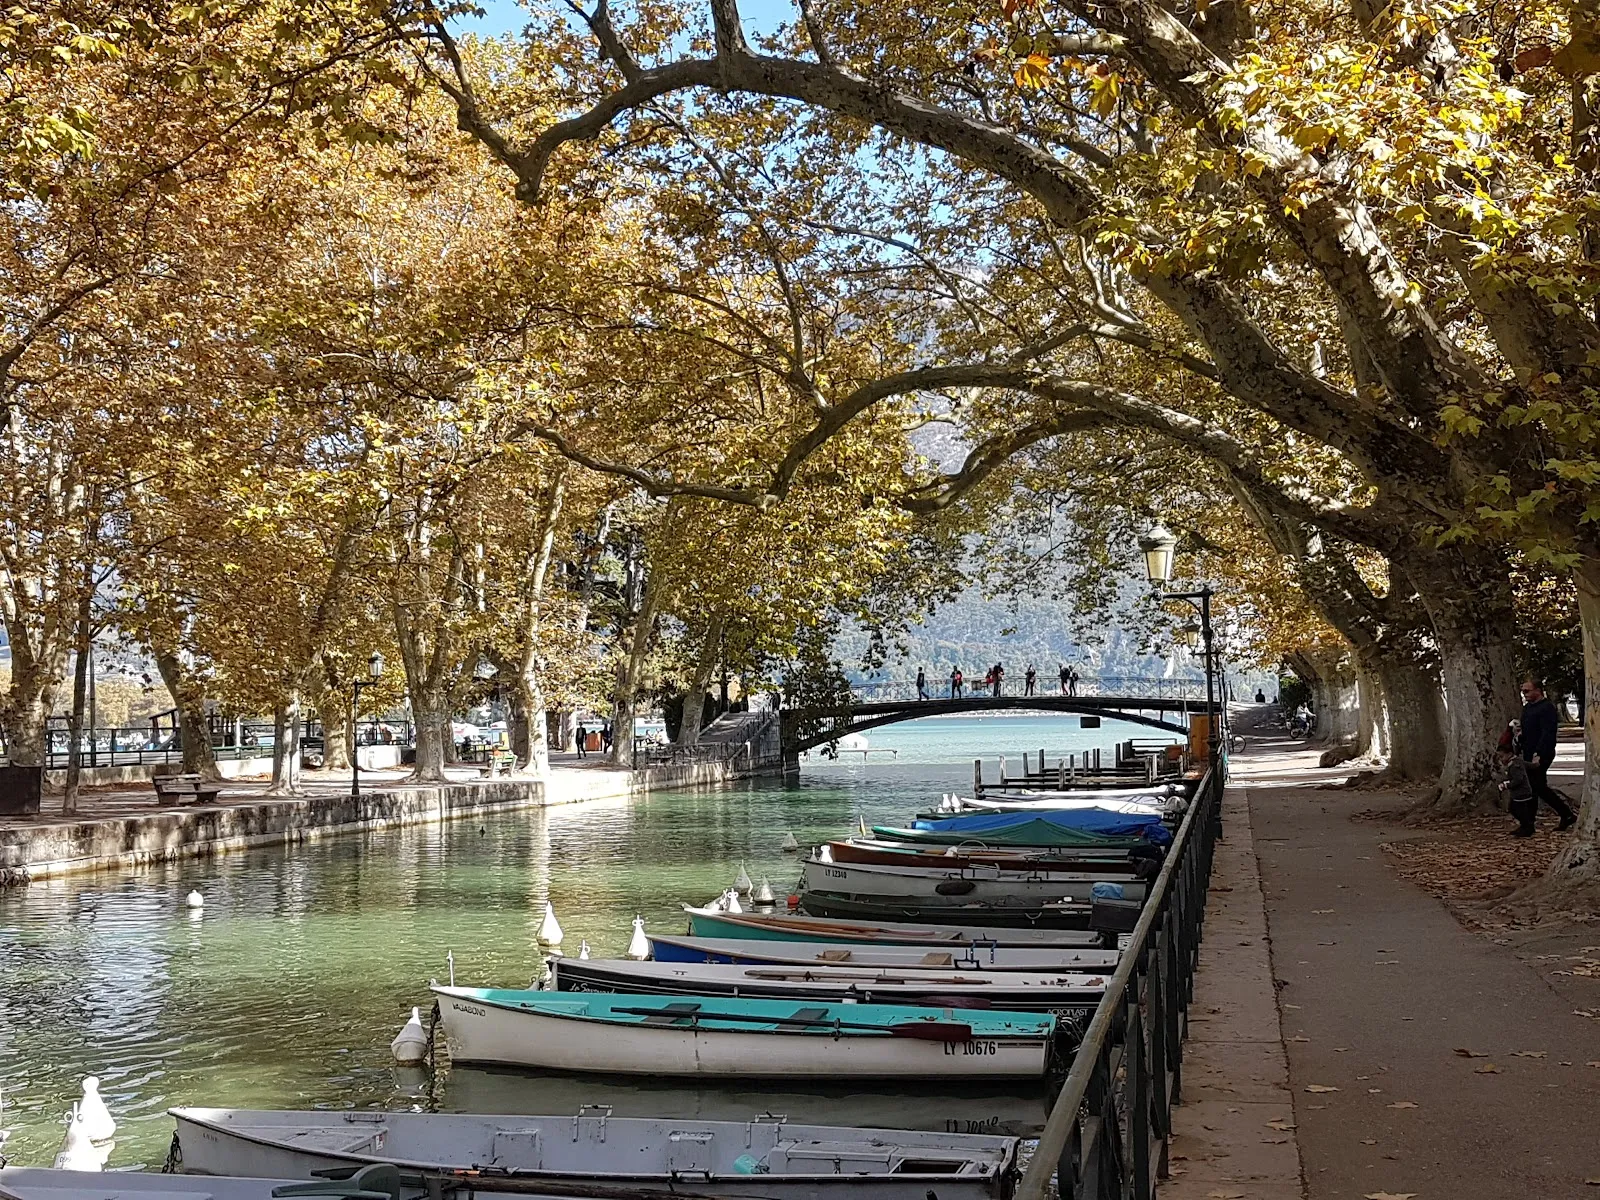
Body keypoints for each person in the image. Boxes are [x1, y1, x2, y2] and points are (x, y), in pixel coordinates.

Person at [1518, 678, 1576, 831]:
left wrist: (1540, 753)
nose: (1525, 694)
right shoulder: (1528, 708)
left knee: (1537, 786)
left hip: (1542, 753)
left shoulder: (1547, 708)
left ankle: (1565, 814)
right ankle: (1529, 823)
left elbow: (1548, 733)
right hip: (1528, 751)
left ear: (1538, 690)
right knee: (1534, 787)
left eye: (1527, 691)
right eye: (1523, 691)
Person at [1497, 740, 1537, 837]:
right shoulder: (1517, 761)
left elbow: (1518, 779)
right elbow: (1528, 765)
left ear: (1510, 754)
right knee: (1516, 809)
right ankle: (1525, 826)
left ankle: (1527, 827)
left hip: (1521, 792)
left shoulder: (1515, 765)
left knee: (1517, 810)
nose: (1501, 759)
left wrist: (1506, 785)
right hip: (1518, 793)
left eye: (1502, 757)